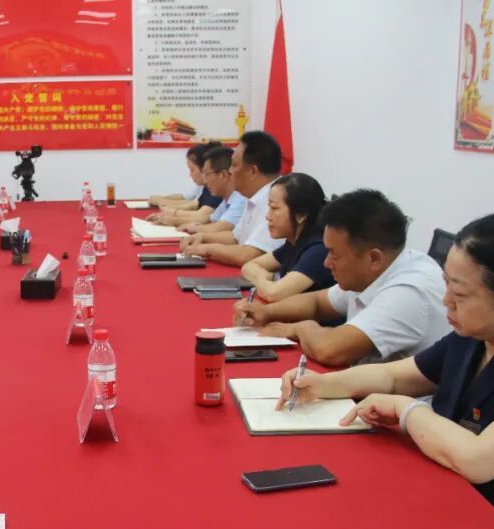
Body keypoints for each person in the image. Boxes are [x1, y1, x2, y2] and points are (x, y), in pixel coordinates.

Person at [277, 214, 494, 529]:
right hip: (452, 505)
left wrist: (407, 411)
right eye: (446, 285)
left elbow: (479, 459)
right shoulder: (475, 335)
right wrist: (322, 384)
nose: (446, 301)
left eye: (460, 293)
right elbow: (396, 377)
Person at [234, 189, 448, 366]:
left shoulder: (408, 292)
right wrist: (266, 312)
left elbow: (329, 350)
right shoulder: (374, 269)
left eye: (333, 255)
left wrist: (299, 328)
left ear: (374, 258)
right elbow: (317, 303)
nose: (326, 263)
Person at [184, 131, 286, 267]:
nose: (229, 171)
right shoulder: (253, 195)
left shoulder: (276, 199)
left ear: (252, 171)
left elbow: (250, 255)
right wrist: (203, 237)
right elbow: (236, 237)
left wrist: (209, 249)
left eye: (234, 165)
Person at [239, 173, 334, 302]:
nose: (268, 216)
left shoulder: (318, 250)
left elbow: (273, 294)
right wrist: (264, 278)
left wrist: (261, 279)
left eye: (274, 208)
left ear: (301, 214)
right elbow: (248, 266)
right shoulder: (293, 242)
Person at [171, 146, 246, 235]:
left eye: (207, 174)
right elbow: (210, 220)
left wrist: (193, 227)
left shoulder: (240, 199)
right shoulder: (227, 199)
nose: (205, 181)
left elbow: (218, 228)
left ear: (223, 175)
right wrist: (178, 222)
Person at [147, 141, 224, 213]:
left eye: (192, 170)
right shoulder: (205, 188)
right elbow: (191, 203)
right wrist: (162, 201)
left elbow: (200, 215)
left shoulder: (217, 189)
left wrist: (164, 205)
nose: (190, 175)